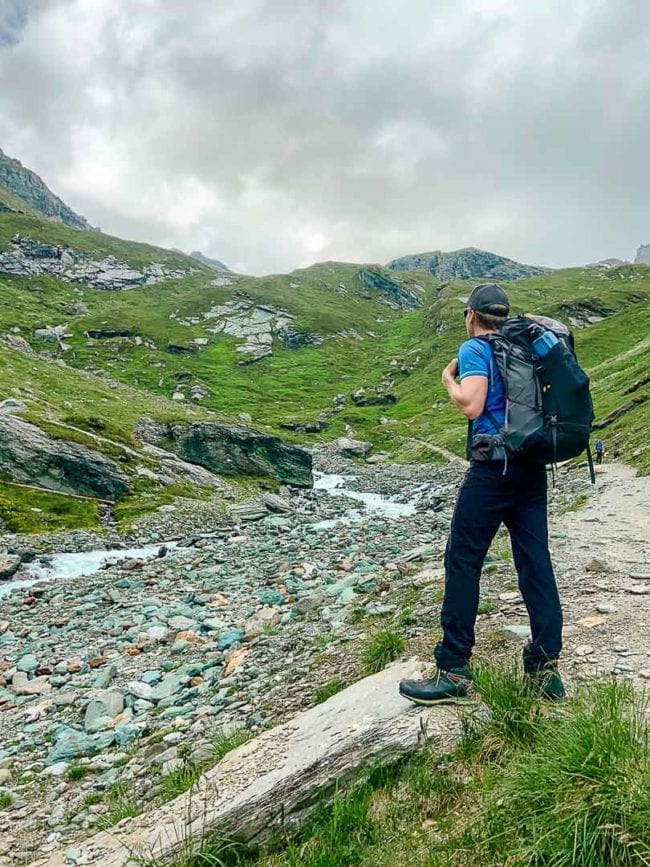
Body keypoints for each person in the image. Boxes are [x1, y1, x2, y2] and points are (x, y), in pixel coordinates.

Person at [399, 283, 565, 705]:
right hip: (532, 468)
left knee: (463, 559)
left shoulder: (477, 348)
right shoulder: (526, 350)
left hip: (492, 470)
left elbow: (471, 406)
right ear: (504, 316)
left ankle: (454, 670)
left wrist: (448, 380)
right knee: (535, 563)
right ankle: (545, 669)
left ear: (471, 316)